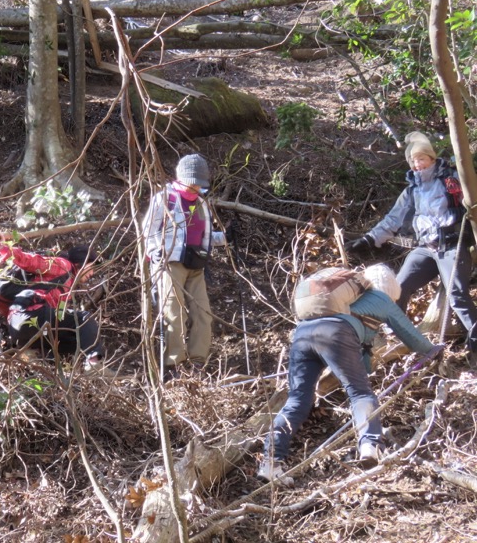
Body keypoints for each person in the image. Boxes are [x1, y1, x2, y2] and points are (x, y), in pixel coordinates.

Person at [258, 264, 440, 486]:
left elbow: (360, 353)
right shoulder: (380, 299)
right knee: (361, 393)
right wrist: (432, 351)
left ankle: (270, 461)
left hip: (303, 335)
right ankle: (370, 446)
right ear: (391, 289)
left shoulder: (345, 301)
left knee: (297, 401)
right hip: (336, 334)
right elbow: (409, 334)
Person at [345, 131, 477, 366]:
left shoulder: (451, 180)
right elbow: (392, 220)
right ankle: (397, 335)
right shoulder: (412, 191)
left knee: (457, 295)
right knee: (399, 287)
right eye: (413, 160)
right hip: (425, 249)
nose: (417, 164)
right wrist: (368, 240)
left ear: (431, 158)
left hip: (451, 246)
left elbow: (471, 200)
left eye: (421, 158)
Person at [142, 154, 226, 377]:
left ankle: (198, 363)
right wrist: (155, 253)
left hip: (196, 263)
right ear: (181, 179)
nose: (196, 188)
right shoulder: (165, 199)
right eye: (193, 184)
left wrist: (225, 238)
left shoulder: (200, 202)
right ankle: (173, 365)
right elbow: (148, 232)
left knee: (202, 313)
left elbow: (201, 234)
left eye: (200, 184)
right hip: (170, 263)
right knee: (174, 312)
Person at [0, 239, 104, 369]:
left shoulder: (68, 288)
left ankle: (40, 359)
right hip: (28, 314)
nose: (92, 273)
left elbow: (59, 317)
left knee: (74, 339)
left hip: (22, 328)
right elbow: (31, 261)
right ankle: (94, 364)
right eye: (92, 267)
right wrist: (4, 249)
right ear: (82, 261)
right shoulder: (63, 265)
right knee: (84, 319)